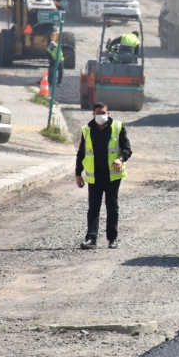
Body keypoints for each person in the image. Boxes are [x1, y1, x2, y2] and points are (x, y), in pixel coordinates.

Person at [75, 102, 132, 250]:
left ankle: (113, 239)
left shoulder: (118, 127)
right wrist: (78, 174)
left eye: (103, 112)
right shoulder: (87, 130)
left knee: (112, 207)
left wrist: (120, 159)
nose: (101, 115)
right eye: (98, 113)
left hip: (113, 175)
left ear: (108, 113)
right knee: (93, 207)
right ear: (93, 114)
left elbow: (127, 149)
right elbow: (81, 153)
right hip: (95, 175)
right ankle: (90, 239)